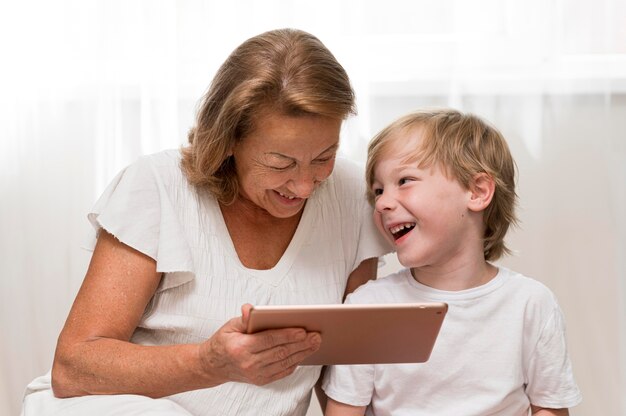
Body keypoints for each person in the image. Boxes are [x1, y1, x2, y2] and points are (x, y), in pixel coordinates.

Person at [21, 28, 391, 416]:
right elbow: (73, 367)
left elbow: (346, 368)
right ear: (228, 140)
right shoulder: (158, 186)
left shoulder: (349, 193)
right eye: (280, 163)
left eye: (322, 157)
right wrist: (208, 363)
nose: (303, 185)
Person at [322, 108, 582, 416]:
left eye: (404, 180)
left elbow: (550, 408)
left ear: (477, 192)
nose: (382, 202)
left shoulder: (532, 305)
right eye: (378, 191)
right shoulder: (367, 309)